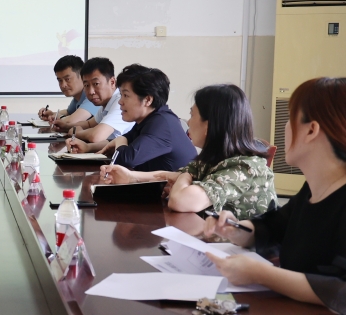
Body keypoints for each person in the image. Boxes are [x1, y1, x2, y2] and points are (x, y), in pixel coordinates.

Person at [204, 77, 346, 315]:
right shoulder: (316, 187)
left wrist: (260, 274)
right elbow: (275, 227)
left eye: (290, 119)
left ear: (311, 130)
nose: (285, 128)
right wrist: (235, 229)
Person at [97, 84, 276, 219]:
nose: (188, 123)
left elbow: (180, 201)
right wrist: (131, 177)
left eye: (192, 115)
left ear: (209, 126)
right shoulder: (214, 159)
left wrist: (183, 177)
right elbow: (169, 176)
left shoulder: (244, 167)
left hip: (242, 253)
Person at [80, 66, 196, 172]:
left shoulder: (162, 124)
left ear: (147, 100)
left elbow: (127, 159)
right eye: (121, 95)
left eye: (126, 95)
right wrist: (88, 147)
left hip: (173, 188)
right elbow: (126, 141)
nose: (120, 101)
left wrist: (120, 140)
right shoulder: (149, 119)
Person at [61, 58, 135, 150]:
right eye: (86, 85)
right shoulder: (106, 103)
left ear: (112, 82)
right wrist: (67, 127)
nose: (91, 91)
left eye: (96, 84)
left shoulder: (120, 102)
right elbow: (89, 124)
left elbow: (96, 136)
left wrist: (77, 133)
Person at [37, 55, 101, 131]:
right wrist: (51, 114)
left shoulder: (92, 96)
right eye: (60, 80)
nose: (63, 85)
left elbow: (71, 121)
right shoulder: (78, 96)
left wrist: (56, 117)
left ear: (82, 76)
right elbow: (68, 112)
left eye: (67, 79)